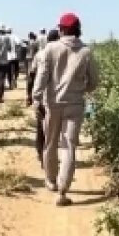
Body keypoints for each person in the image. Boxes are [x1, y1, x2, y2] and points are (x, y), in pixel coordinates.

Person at [32, 14, 98, 206]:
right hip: (75, 105)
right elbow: (94, 82)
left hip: (52, 104)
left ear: (61, 29)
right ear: (78, 29)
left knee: (50, 143)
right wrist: (79, 90)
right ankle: (63, 189)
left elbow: (42, 76)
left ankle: (50, 181)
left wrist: (37, 98)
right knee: (69, 146)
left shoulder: (50, 48)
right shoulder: (86, 52)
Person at [27, 28, 60, 164]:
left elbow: (32, 73)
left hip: (41, 95)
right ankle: (49, 155)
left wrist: (31, 94)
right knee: (54, 127)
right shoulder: (62, 54)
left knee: (41, 127)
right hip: (56, 96)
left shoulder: (40, 54)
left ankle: (41, 153)